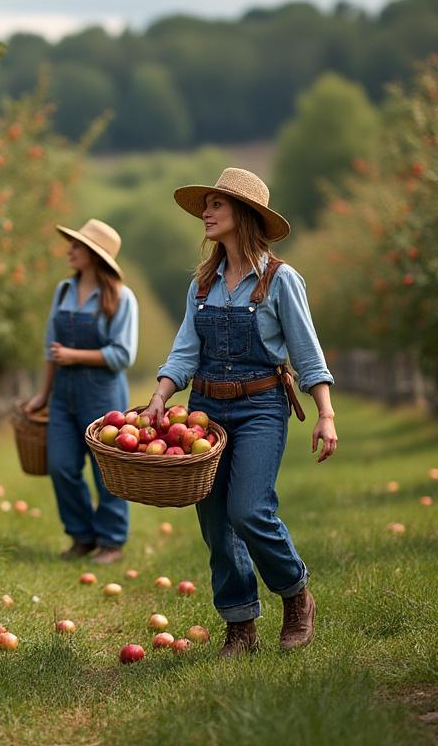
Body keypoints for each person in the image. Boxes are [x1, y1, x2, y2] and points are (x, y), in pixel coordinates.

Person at [141, 168, 338, 657]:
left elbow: (307, 353)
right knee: (214, 522)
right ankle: (240, 626)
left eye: (216, 205)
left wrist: (326, 414)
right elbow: (186, 349)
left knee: (249, 510)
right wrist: (162, 394)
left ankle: (295, 595)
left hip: (260, 408)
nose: (205, 213)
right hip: (204, 410)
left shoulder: (280, 279)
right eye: (205, 205)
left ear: (243, 215)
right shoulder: (203, 283)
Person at [24, 220, 138, 565]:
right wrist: (42, 395)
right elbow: (50, 348)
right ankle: (82, 536)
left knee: (108, 471)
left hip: (103, 393)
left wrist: (74, 356)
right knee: (60, 466)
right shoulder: (63, 291)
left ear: (94, 255)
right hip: (63, 393)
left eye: (77, 246)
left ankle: (112, 541)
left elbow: (123, 355)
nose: (70, 250)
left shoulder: (120, 297)